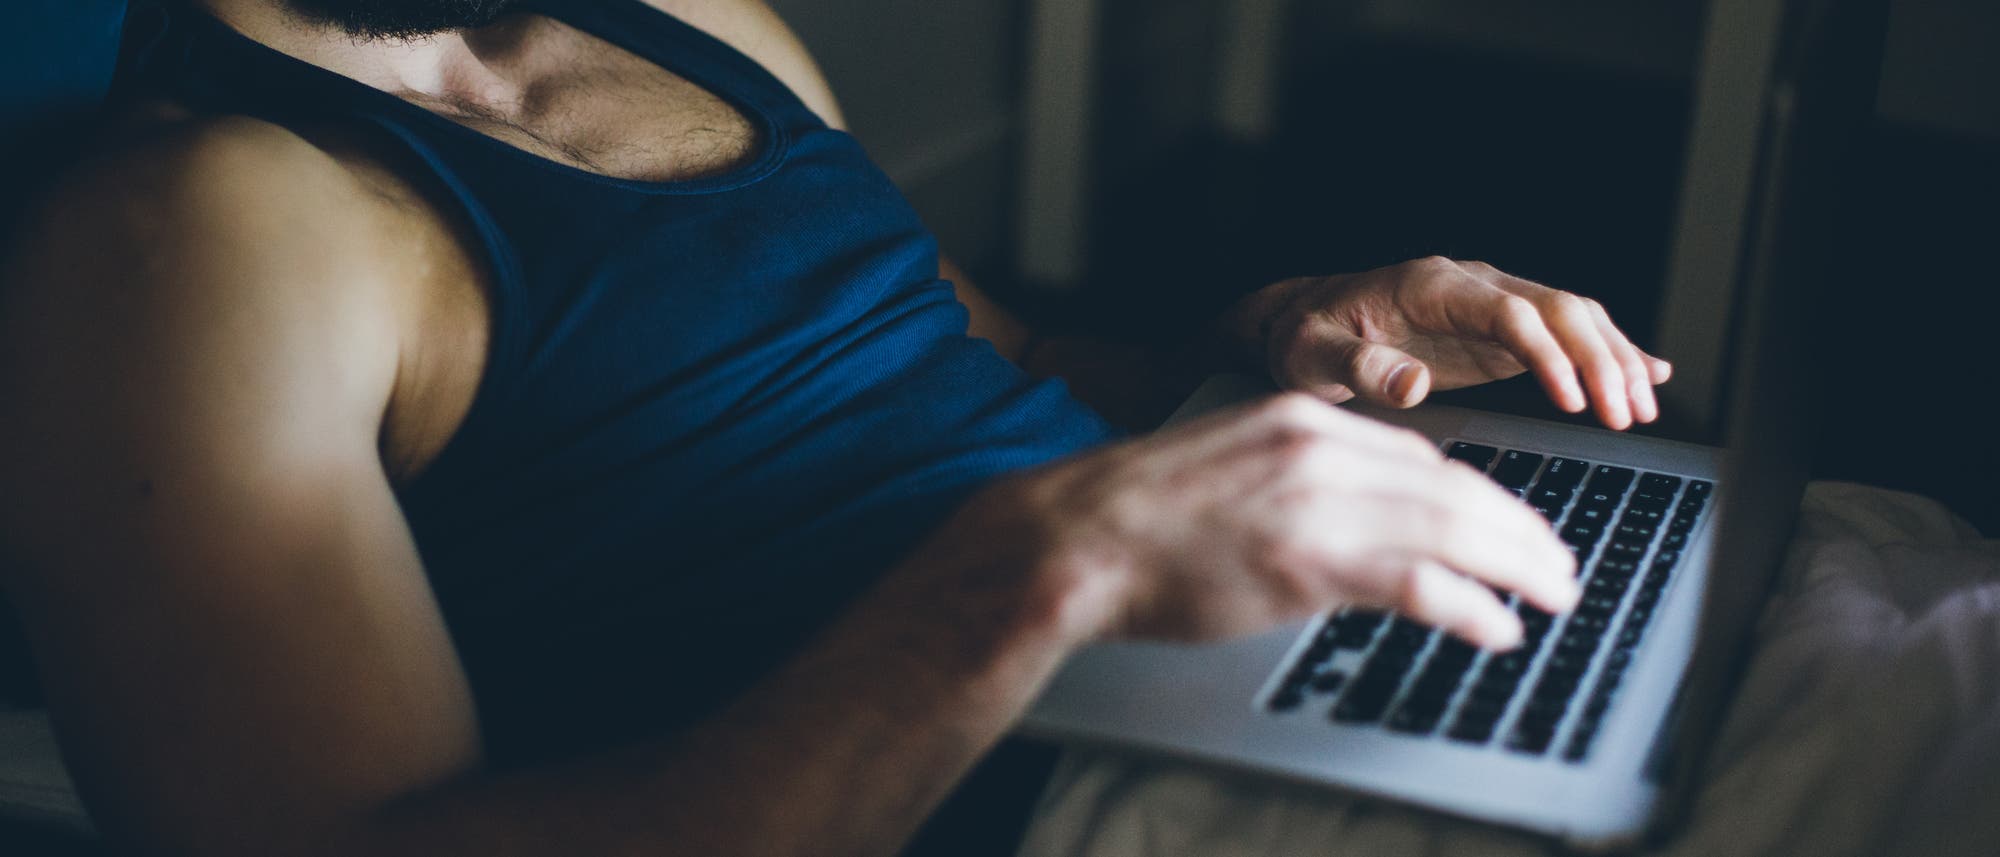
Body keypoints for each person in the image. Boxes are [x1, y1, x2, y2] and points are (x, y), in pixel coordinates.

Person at [0, 0, 1674, 854]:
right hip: (1067, 811)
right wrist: (1032, 577)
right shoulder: (187, 235)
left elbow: (993, 357)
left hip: (1230, 671)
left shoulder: (692, 26)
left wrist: (1260, 348)